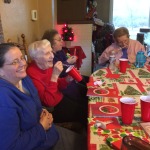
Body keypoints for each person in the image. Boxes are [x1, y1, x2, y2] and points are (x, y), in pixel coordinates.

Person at [0, 43, 87, 150]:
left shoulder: (24, 79)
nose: (22, 63)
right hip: (40, 140)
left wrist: (43, 111)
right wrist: (41, 127)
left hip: (48, 130)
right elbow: (11, 146)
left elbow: (37, 102)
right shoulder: (4, 100)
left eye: (22, 58)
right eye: (14, 62)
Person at [26, 40, 87, 127]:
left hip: (60, 97)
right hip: (52, 109)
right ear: (36, 58)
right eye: (47, 53)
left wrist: (67, 79)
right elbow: (49, 102)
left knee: (86, 104)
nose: (52, 55)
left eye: (51, 51)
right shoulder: (31, 74)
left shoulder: (46, 65)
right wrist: (54, 76)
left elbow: (57, 85)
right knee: (85, 113)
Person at [41, 29, 88, 102]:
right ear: (51, 43)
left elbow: (67, 67)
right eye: (59, 40)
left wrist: (71, 62)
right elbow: (59, 73)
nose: (62, 41)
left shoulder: (60, 51)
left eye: (61, 39)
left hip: (69, 78)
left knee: (88, 82)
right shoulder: (49, 58)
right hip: (63, 83)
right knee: (85, 93)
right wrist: (68, 62)